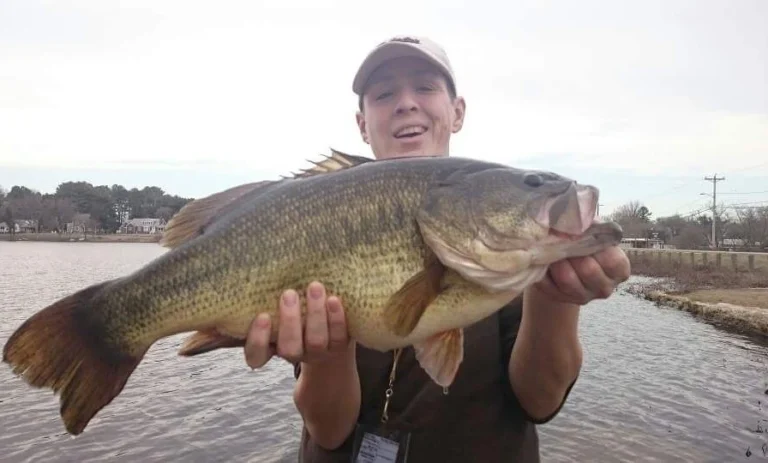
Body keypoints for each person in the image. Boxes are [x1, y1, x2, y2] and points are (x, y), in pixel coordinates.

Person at [243, 36, 631, 462]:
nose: (406, 103)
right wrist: (327, 357)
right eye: (385, 93)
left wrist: (555, 297)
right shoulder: (323, 220)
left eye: (425, 87)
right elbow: (329, 431)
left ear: (457, 111)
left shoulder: (512, 264)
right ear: (361, 124)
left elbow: (541, 400)